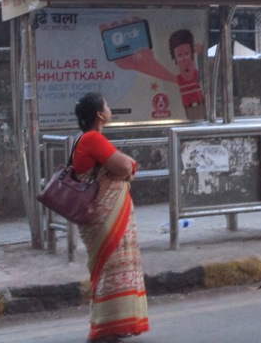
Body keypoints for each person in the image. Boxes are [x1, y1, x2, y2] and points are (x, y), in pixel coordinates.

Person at [73, 93, 149, 342]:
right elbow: (126, 167)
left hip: (99, 215)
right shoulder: (93, 139)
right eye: (106, 104)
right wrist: (129, 167)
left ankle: (113, 324)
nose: (109, 108)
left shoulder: (84, 139)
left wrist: (124, 168)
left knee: (110, 268)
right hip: (104, 215)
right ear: (99, 114)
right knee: (110, 267)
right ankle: (106, 325)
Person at [169, 29, 206, 120]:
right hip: (186, 107)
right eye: (180, 56)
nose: (184, 60)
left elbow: (203, 68)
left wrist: (201, 54)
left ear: (192, 54)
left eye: (187, 54)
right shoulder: (178, 79)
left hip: (199, 104)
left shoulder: (197, 73)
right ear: (175, 59)